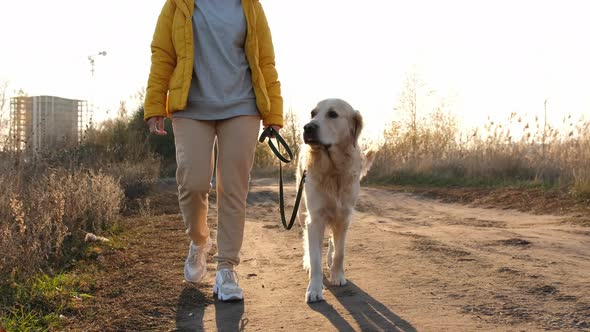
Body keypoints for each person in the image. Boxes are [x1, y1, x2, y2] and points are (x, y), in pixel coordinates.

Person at [144, 0, 283, 301]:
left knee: (234, 189)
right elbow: (162, 55)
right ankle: (199, 241)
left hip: (243, 106)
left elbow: (265, 60)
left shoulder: (249, 5)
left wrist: (273, 114)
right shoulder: (178, 4)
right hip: (190, 106)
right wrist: (155, 104)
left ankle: (226, 269)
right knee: (192, 184)